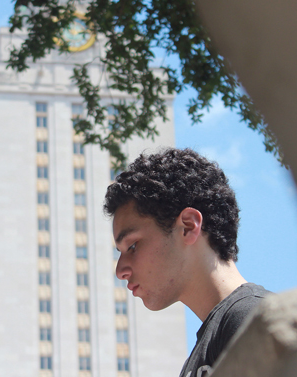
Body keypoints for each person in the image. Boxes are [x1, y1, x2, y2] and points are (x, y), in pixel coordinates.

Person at [104, 148, 269, 377]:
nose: (120, 270)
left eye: (132, 246)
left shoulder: (253, 319)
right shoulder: (201, 355)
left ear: (189, 226)